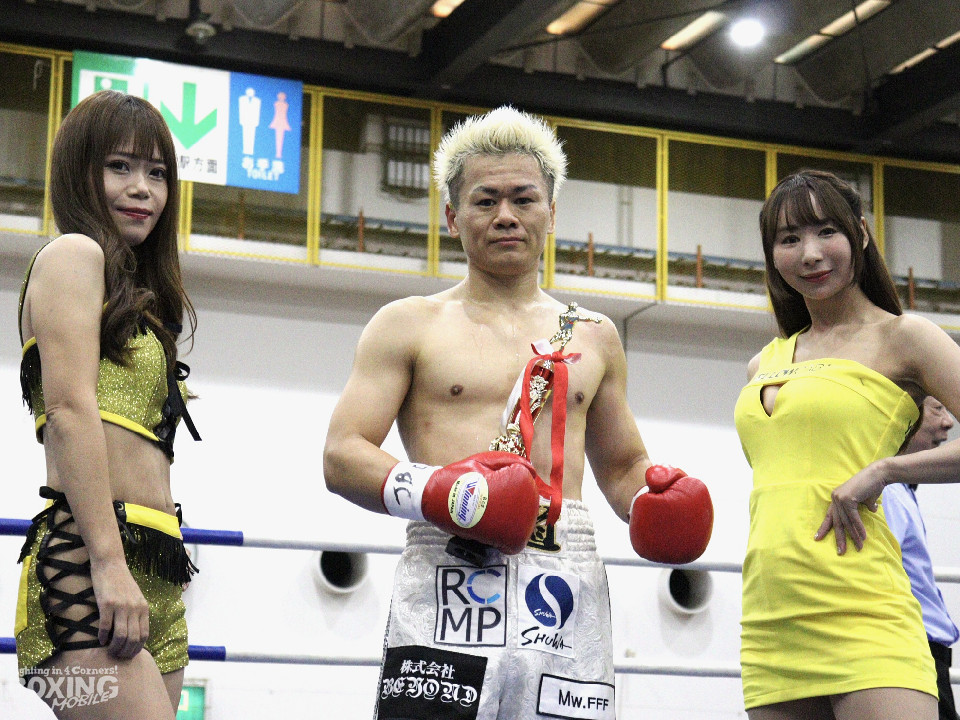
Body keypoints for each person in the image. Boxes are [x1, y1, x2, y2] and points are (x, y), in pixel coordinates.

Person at [323, 106, 713, 720]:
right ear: (452, 217)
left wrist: (655, 501)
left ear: (551, 213)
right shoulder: (407, 324)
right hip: (447, 561)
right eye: (485, 201)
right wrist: (446, 494)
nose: (505, 215)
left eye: (523, 199)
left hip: (562, 571)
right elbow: (343, 455)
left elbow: (622, 467)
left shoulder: (594, 335)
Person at [734, 168, 960, 719]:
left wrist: (885, 470)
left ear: (859, 233)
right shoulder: (764, 362)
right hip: (771, 619)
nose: (810, 253)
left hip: (865, 612)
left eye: (826, 232)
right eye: (789, 239)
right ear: (773, 255)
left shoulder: (905, 337)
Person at [15, 90, 200, 719]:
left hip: (157, 565)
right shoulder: (74, 254)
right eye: (120, 166)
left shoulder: (141, 297)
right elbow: (69, 410)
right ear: (80, 172)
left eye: (157, 172)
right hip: (86, 565)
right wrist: (108, 562)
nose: (142, 188)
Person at [884, 397, 960, 720]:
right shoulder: (886, 490)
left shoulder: (899, 488)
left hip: (922, 651)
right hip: (911, 650)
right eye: (937, 408)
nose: (948, 422)